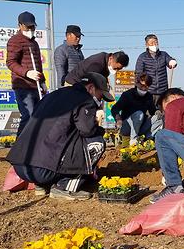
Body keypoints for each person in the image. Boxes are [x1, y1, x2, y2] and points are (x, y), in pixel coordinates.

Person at [6, 72, 111, 200]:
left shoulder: (54, 95)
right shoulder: (84, 99)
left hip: (20, 165)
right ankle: (65, 187)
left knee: (58, 139)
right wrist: (97, 125)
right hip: (42, 170)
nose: (100, 101)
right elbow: (87, 131)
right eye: (100, 96)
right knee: (97, 142)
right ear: (90, 88)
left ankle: (41, 185)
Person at [7, 11, 46, 135]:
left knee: (39, 116)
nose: (30, 29)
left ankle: (34, 146)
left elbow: (38, 65)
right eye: (27, 27)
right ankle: (19, 147)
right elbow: (11, 62)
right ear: (20, 25)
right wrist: (27, 73)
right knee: (28, 116)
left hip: (36, 86)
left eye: (32, 26)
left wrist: (43, 82)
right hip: (23, 86)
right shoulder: (15, 41)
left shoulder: (34, 43)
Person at [111, 73, 156, 146]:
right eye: (142, 86)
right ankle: (133, 140)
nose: (143, 89)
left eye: (146, 87)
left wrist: (157, 112)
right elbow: (115, 108)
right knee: (139, 114)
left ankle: (147, 140)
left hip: (140, 127)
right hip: (126, 127)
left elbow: (152, 111)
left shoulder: (149, 96)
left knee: (159, 118)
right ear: (137, 83)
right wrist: (118, 119)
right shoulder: (127, 95)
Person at [135, 34, 177, 106]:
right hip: (148, 91)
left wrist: (172, 62)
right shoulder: (142, 57)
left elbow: (170, 61)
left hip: (163, 91)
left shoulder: (163, 55)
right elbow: (138, 74)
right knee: (148, 113)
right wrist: (140, 88)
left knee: (162, 113)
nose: (154, 44)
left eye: (156, 42)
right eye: (152, 43)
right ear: (146, 45)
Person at [64, 51, 129, 86]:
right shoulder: (96, 64)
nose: (116, 71)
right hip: (73, 83)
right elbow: (91, 86)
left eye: (119, 69)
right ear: (111, 58)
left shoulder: (106, 60)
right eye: (115, 68)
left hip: (83, 84)